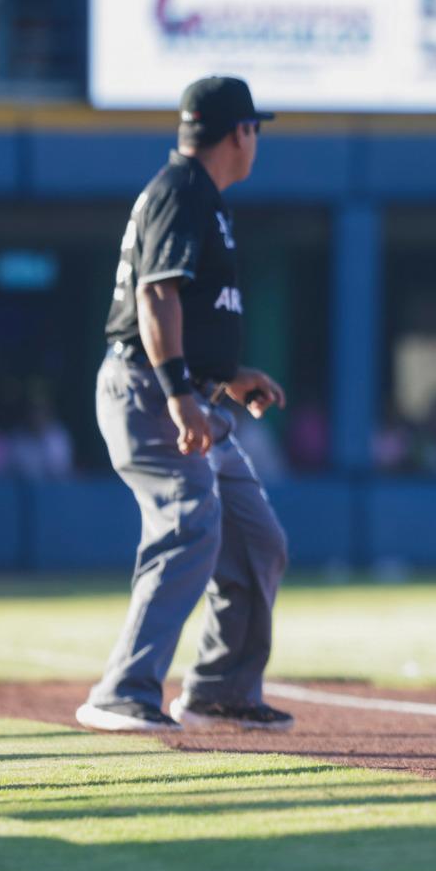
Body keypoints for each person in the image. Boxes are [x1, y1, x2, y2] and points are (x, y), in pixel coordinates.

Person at [76, 76, 294, 733]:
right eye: (254, 128)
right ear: (239, 133)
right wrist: (179, 395)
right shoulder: (181, 191)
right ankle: (122, 689)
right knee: (188, 522)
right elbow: (156, 296)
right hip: (148, 389)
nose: (256, 140)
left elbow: (189, 311)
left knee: (258, 538)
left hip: (187, 388)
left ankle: (220, 689)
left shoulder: (204, 199)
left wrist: (228, 378)